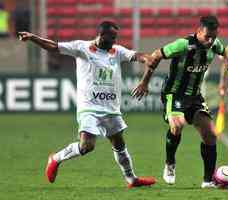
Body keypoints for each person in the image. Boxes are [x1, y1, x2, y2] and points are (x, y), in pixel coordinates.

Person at [18, 21, 156, 188]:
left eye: (115, 37)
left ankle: (132, 180)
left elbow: (136, 55)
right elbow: (54, 47)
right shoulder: (81, 47)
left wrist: (146, 58)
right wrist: (33, 38)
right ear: (101, 35)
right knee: (87, 146)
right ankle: (56, 158)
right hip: (89, 107)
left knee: (119, 144)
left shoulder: (117, 51)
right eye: (111, 37)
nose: (114, 40)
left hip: (111, 108)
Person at [132, 15, 228, 188]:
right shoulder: (183, 45)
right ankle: (170, 164)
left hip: (195, 96)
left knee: (211, 135)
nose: (210, 40)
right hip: (174, 93)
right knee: (176, 125)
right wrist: (144, 82)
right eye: (207, 36)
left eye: (214, 36)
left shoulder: (215, 43)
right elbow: (155, 56)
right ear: (198, 31)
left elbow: (224, 50)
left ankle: (208, 181)